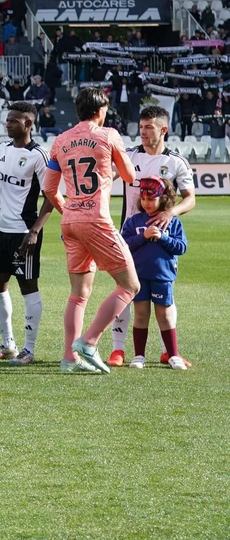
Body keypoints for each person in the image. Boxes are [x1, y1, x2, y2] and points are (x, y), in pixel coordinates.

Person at [23, 88, 137, 375]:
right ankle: (89, 341)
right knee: (129, 286)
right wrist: (108, 172)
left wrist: (69, 209)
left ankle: (68, 359)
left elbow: (49, 189)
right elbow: (129, 176)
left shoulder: (60, 141)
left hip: (70, 220)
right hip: (96, 219)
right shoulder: (108, 135)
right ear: (101, 110)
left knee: (78, 294)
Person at [110, 106, 197, 367]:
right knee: (125, 290)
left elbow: (190, 198)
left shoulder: (176, 162)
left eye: (149, 127)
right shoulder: (129, 156)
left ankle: (167, 351)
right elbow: (106, 180)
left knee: (164, 293)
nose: (143, 132)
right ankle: (118, 350)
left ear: (164, 129)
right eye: (141, 126)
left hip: (161, 238)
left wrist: (170, 213)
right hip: (129, 234)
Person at [0, 102, 48, 364]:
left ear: (28, 124)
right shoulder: (2, 149)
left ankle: (29, 349)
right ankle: (8, 345)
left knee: (28, 286)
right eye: (7, 120)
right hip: (2, 231)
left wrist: (35, 231)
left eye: (13, 121)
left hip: (23, 232)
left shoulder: (39, 156)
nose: (7, 124)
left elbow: (51, 198)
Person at [120, 178, 189, 370]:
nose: (146, 202)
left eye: (151, 198)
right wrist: (144, 236)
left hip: (163, 276)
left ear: (163, 198)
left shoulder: (172, 222)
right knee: (141, 315)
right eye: (143, 198)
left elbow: (181, 247)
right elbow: (124, 245)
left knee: (165, 316)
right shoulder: (133, 221)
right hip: (139, 276)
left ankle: (173, 355)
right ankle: (139, 356)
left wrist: (163, 237)